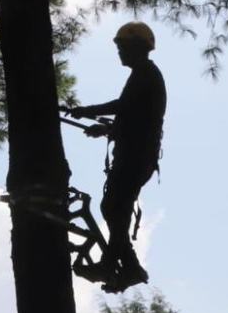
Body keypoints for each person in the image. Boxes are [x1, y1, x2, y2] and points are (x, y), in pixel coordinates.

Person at [65, 21, 166, 291]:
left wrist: (86, 111)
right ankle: (128, 267)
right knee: (114, 209)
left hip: (135, 157)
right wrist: (107, 129)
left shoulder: (146, 73)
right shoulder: (143, 74)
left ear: (136, 47)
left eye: (122, 47)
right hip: (136, 155)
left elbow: (123, 107)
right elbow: (133, 117)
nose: (119, 53)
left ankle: (115, 265)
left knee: (112, 208)